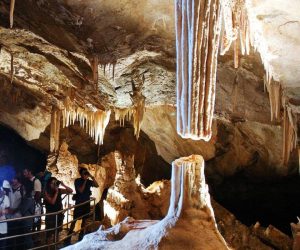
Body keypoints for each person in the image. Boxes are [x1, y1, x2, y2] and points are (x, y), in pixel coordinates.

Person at [66, 168, 98, 243]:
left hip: (86, 203)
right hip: (79, 203)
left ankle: (81, 235)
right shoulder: (77, 181)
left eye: (86, 173)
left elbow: (97, 185)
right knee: (74, 220)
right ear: (81, 174)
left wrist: (91, 177)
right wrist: (85, 180)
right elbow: (81, 190)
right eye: (84, 173)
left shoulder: (89, 181)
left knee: (84, 220)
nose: (85, 175)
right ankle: (69, 235)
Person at [44, 177, 72, 244]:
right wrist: (56, 192)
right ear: (49, 184)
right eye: (53, 183)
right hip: (51, 215)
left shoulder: (59, 190)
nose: (54, 184)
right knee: (49, 234)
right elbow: (52, 202)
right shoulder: (46, 192)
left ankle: (55, 246)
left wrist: (63, 185)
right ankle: (49, 248)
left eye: (55, 183)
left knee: (57, 232)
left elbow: (71, 191)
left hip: (59, 214)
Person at [7, 175, 23, 249]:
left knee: (17, 232)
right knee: (10, 232)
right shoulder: (9, 187)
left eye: (14, 179)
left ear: (18, 180)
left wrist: (16, 210)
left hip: (18, 215)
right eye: (12, 179)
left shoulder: (22, 188)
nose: (13, 180)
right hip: (9, 214)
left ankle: (17, 247)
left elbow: (24, 202)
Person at [18, 180, 35, 250]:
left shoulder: (28, 199)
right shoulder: (28, 197)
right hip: (27, 220)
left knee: (27, 238)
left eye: (23, 187)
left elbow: (22, 210)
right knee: (26, 237)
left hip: (27, 221)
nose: (22, 188)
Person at [0, 182, 10, 250]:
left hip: (3, 224)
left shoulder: (6, 198)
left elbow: (8, 209)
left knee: (3, 245)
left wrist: (3, 211)